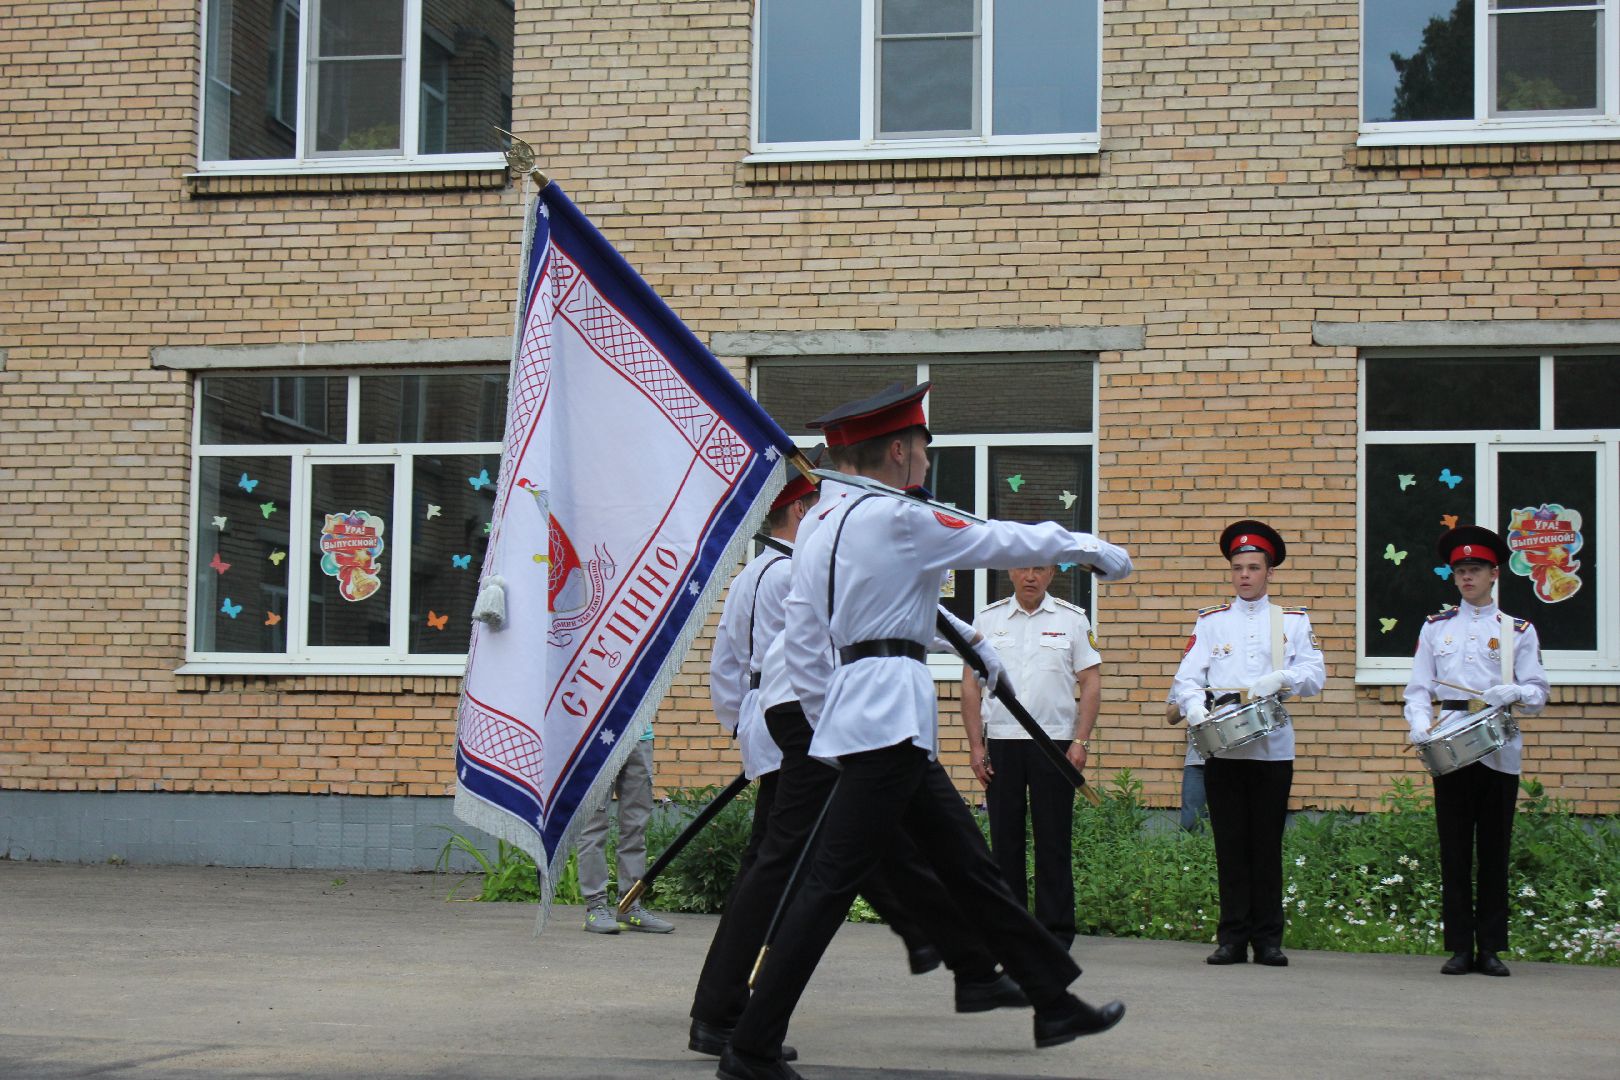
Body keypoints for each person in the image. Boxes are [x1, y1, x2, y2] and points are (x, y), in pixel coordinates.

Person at [719, 383, 1130, 1080]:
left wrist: (829, 716)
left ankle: (1047, 996)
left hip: (866, 711)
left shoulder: (821, 520)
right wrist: (1084, 546)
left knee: (968, 863)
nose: (926, 465)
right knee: (826, 885)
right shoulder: (897, 516)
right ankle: (752, 1044)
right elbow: (993, 538)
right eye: (924, 451)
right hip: (890, 714)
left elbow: (804, 637)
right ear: (902, 450)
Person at [689, 432, 1027, 1065]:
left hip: (787, 719)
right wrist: (975, 648)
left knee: (827, 852)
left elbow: (727, 667)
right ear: (799, 513)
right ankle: (960, 956)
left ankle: (948, 951)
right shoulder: (805, 563)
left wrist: (745, 732)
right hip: (826, 714)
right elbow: (875, 622)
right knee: (826, 856)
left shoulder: (753, 575)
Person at [1170, 520, 1324, 968]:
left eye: (1253, 568)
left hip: (1272, 749)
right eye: (1238, 568)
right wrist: (1195, 707)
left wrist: (1286, 677)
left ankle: (1269, 939)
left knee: (1266, 844)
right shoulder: (1212, 622)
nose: (1244, 576)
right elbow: (1187, 677)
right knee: (1230, 844)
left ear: (1268, 571)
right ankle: (1232, 937)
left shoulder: (1292, 622)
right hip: (1222, 747)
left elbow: (1316, 675)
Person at [1402, 524, 1548, 977]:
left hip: (1498, 749)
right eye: (1461, 570)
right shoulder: (1435, 628)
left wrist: (1515, 693)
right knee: (1454, 849)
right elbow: (1417, 689)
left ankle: (1491, 948)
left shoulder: (1517, 630)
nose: (1467, 577)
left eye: (1476, 569)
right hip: (1450, 744)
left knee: (1493, 850)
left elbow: (1539, 694)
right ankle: (1460, 947)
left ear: (1494, 574)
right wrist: (1418, 727)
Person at [961, 565, 1101, 949]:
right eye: (1023, 567)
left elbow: (1090, 682)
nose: (1030, 576)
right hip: (1003, 742)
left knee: (1052, 840)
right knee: (1005, 841)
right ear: (1010, 571)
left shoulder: (1072, 619)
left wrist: (1081, 741)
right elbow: (971, 685)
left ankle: (1055, 934)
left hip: (1054, 744)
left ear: (1052, 573)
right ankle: (1010, 931)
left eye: (1039, 569)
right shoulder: (988, 619)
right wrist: (976, 745)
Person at [576, 717, 674, 934]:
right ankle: (596, 906)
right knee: (593, 824)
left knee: (635, 826)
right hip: (595, 737)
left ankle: (630, 904)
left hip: (640, 735)